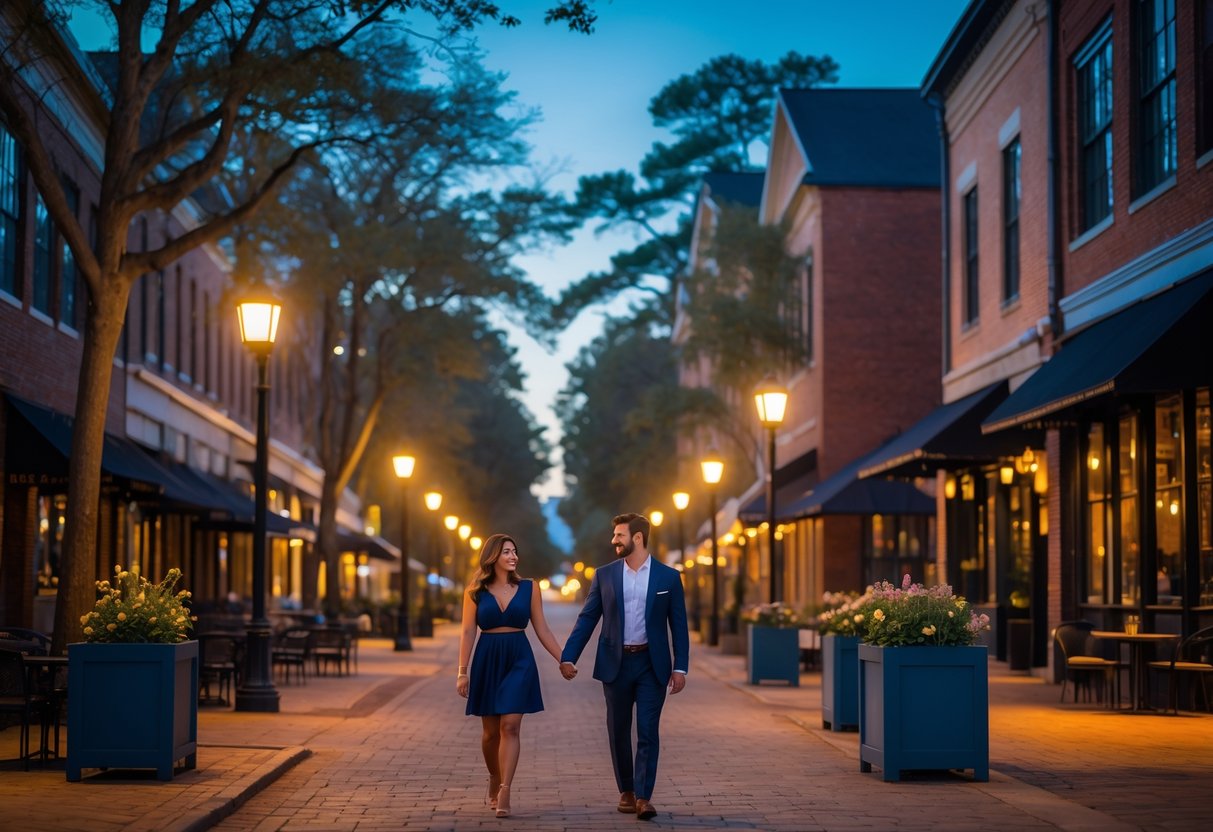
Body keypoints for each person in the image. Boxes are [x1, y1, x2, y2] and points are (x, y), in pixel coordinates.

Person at [560, 513, 690, 821]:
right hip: (615, 665)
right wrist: (569, 656)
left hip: (651, 665)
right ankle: (627, 791)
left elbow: (679, 625)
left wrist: (680, 667)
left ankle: (644, 797)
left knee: (647, 730)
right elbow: (588, 618)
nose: (614, 540)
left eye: (619, 535)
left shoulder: (668, 578)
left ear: (637, 538)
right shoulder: (604, 575)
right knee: (618, 730)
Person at [456, 533, 565, 818]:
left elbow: (542, 629)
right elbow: (468, 631)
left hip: (519, 658)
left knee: (511, 726)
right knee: (490, 733)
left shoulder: (530, 588)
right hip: (487, 659)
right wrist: (462, 672)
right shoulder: (475, 591)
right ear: (493, 556)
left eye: (515, 551)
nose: (513, 556)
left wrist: (563, 659)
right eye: (506, 552)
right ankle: (494, 776)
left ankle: (505, 788)